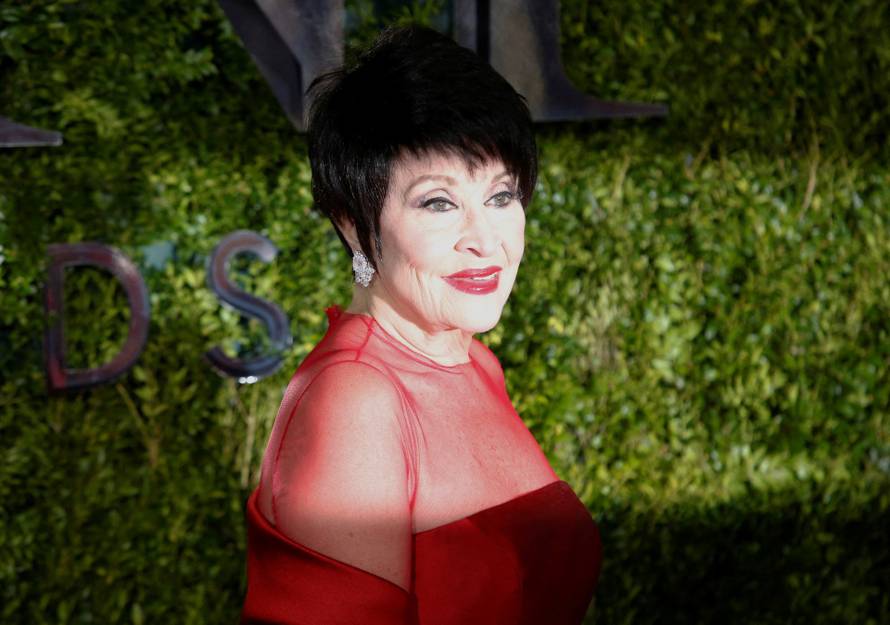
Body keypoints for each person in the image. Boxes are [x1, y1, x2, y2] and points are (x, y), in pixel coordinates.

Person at [241, 24, 602, 625]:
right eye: (439, 202)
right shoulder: (354, 401)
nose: (485, 243)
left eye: (501, 195)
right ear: (354, 224)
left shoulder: (471, 359)